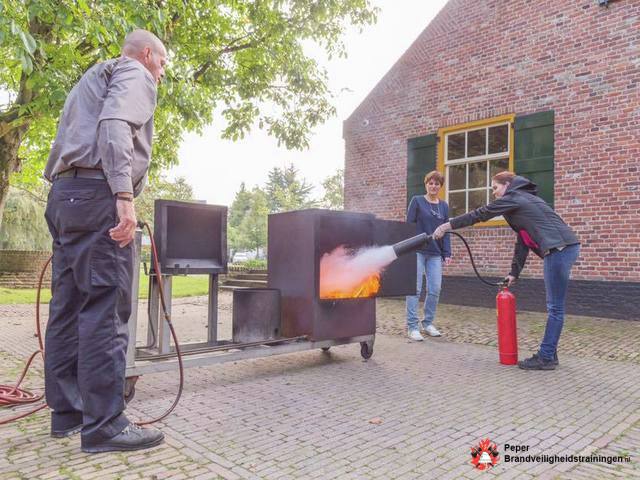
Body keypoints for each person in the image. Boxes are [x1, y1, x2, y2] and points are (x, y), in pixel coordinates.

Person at [42, 29, 167, 453]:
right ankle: (105, 426)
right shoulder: (135, 74)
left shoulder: (91, 78)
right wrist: (124, 196)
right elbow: (116, 125)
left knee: (68, 305)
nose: (162, 73)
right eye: (163, 63)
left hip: (64, 196)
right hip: (98, 198)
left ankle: (68, 413)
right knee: (107, 310)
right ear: (147, 54)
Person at [433, 171, 580, 370]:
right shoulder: (525, 200)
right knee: (555, 307)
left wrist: (447, 225)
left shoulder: (513, 198)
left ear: (508, 184)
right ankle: (550, 353)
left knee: (555, 308)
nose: (494, 193)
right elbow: (523, 242)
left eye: (495, 188)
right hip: (565, 246)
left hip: (559, 248)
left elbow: (480, 214)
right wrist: (514, 273)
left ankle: (546, 358)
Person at [406, 171, 452, 341]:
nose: (433, 186)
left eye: (437, 184)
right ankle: (412, 327)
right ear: (426, 184)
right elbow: (409, 226)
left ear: (440, 186)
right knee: (415, 289)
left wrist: (447, 252)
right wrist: (408, 248)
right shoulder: (417, 201)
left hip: (434, 253)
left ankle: (427, 323)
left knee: (435, 289)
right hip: (417, 250)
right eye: (430, 183)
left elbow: (446, 230)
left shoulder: (444, 206)